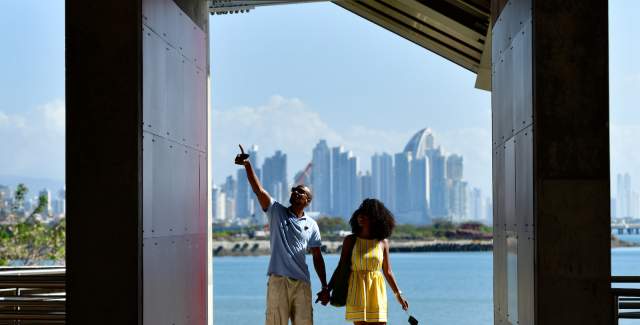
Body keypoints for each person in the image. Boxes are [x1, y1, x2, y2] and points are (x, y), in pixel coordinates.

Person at [234, 144, 330, 325]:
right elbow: (259, 190)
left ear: (307, 201)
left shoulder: (312, 225)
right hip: (278, 281)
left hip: (302, 283)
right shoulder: (276, 211)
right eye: (294, 189)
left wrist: (325, 287)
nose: (295, 192)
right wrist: (247, 165)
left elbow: (317, 256)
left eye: (300, 191)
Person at [338, 198, 409, 324]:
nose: (361, 216)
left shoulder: (383, 242)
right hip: (357, 290)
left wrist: (399, 295)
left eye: (365, 214)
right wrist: (328, 289)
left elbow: (387, 271)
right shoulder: (350, 240)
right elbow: (341, 267)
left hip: (376, 290)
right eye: (360, 213)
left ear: (375, 218)